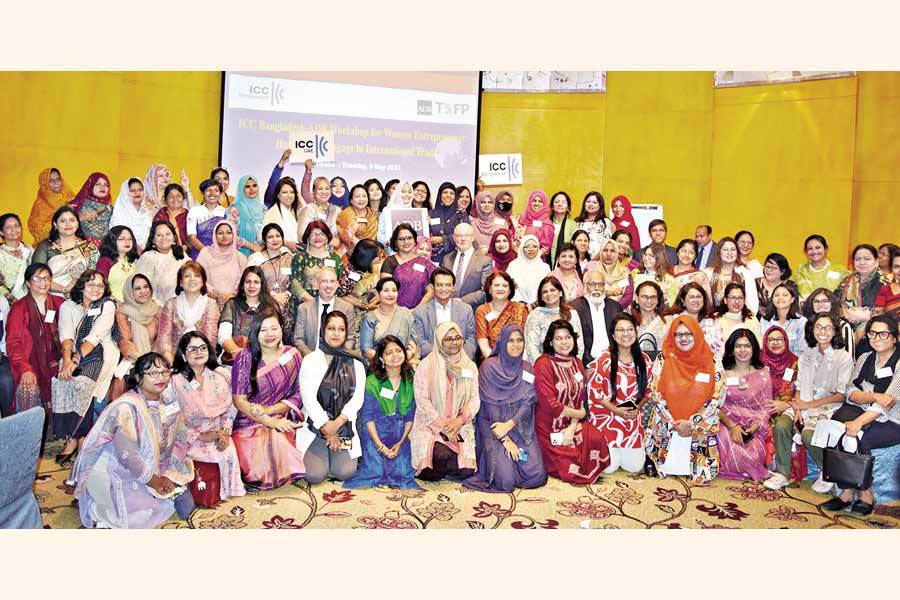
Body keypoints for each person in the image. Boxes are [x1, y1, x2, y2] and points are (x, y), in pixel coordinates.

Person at [72, 352, 194, 528]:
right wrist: (155, 481)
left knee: (186, 507)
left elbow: (181, 438)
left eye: (165, 372)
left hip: (157, 467)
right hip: (114, 470)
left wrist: (168, 472)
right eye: (152, 373)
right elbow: (127, 457)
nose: (160, 378)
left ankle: (158, 491)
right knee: (139, 518)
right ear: (138, 377)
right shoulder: (126, 408)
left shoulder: (169, 401)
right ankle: (95, 509)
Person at [818, 316, 900, 516]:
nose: (877, 338)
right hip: (863, 408)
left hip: (893, 419)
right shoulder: (864, 358)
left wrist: (858, 422)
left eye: (883, 334)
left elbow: (890, 402)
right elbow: (850, 390)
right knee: (837, 426)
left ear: (894, 338)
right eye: (872, 333)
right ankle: (846, 492)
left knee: (859, 436)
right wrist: (873, 396)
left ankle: (865, 493)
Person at [764, 315, 851, 492]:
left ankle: (826, 470)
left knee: (808, 436)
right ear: (812, 330)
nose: (823, 331)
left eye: (828, 327)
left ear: (835, 331)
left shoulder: (844, 357)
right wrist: (796, 407)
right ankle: (783, 473)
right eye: (819, 327)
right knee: (781, 426)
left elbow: (841, 395)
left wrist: (808, 406)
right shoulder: (806, 356)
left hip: (828, 407)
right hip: (803, 404)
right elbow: (799, 386)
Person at [463, 324, 548, 492]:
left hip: (519, 428)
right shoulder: (489, 367)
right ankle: (508, 465)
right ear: (502, 343)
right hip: (493, 428)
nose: (516, 345)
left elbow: (527, 403)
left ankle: (514, 464)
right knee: (505, 481)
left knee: (537, 476)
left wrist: (510, 426)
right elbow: (490, 408)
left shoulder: (527, 368)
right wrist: (505, 439)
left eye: (519, 340)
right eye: (511, 341)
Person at [645, 316, 726, 484]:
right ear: (672, 336)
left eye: (689, 333)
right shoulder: (663, 359)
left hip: (699, 428)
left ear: (697, 334)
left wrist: (692, 423)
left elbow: (717, 398)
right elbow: (656, 395)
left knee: (702, 471)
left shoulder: (713, 360)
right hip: (669, 426)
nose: (684, 338)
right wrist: (675, 423)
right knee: (666, 466)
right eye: (679, 334)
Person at [231, 309, 305, 489]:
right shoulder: (244, 357)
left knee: (278, 445)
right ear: (255, 333)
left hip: (280, 416)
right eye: (263, 330)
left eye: (274, 328)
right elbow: (239, 401)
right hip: (248, 419)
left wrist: (271, 412)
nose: (269, 334)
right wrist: (267, 420)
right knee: (257, 463)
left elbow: (299, 393)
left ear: (282, 329)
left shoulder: (293, 354)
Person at [54, 270, 120, 466]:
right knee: (63, 379)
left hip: (103, 352)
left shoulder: (106, 305)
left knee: (85, 385)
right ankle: (72, 438)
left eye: (100, 285)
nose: (96, 289)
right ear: (81, 286)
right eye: (91, 284)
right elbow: (65, 333)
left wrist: (74, 361)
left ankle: (82, 439)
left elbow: (96, 335)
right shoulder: (68, 305)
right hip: (72, 352)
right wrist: (67, 360)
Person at [171, 332, 245, 503]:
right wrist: (200, 436)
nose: (199, 352)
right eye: (192, 349)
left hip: (218, 432)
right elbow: (170, 417)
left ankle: (224, 490)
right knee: (207, 461)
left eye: (203, 347)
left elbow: (232, 406)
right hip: (186, 436)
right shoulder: (175, 381)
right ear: (183, 355)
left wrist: (225, 432)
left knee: (225, 454)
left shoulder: (219, 376)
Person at [294, 310, 365, 483]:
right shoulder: (310, 360)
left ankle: (334, 452)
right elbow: (308, 399)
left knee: (345, 472)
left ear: (346, 333)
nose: (336, 333)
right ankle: (324, 448)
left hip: (342, 424)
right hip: (316, 425)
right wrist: (327, 427)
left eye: (341, 329)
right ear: (323, 331)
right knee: (314, 475)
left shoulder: (355, 363)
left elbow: (357, 400)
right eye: (331, 328)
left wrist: (337, 424)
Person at [534, 319, 609, 483]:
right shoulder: (543, 364)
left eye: (567, 337)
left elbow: (580, 397)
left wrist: (573, 426)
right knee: (569, 462)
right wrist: (580, 413)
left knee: (596, 439)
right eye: (558, 338)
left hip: (572, 424)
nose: (564, 342)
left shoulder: (577, 362)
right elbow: (550, 404)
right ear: (551, 342)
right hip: (550, 428)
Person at [343, 335, 419, 490]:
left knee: (404, 473)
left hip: (399, 433)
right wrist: (380, 446)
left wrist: (401, 442)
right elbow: (367, 418)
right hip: (375, 433)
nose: (395, 355)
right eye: (389, 353)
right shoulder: (372, 381)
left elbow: (410, 416)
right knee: (375, 472)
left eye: (398, 350)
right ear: (382, 358)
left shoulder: (411, 378)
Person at [410, 322, 480, 481]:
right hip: (431, 425)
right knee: (441, 456)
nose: (454, 343)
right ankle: (433, 466)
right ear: (439, 340)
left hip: (459, 425)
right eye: (448, 339)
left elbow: (475, 399)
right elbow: (422, 401)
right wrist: (444, 427)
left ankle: (442, 467)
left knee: (467, 470)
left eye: (457, 338)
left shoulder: (469, 366)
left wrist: (459, 421)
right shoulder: (426, 365)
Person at [587, 313, 653, 473]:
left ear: (636, 333)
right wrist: (616, 410)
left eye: (630, 329)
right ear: (613, 335)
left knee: (635, 466)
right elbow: (595, 393)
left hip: (631, 419)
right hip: (607, 417)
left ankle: (624, 447)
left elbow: (649, 391)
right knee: (609, 467)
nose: (626, 334)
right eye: (620, 330)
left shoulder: (644, 360)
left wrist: (637, 408)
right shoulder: (604, 359)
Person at [5, 263, 64, 422]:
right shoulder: (18, 309)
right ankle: (28, 431)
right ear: (28, 283)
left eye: (46, 278)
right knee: (28, 388)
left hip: (58, 361)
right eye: (37, 278)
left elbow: (71, 335)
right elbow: (13, 344)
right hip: (29, 363)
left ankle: (64, 430)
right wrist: (25, 369)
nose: (43, 282)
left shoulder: (60, 303)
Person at [716, 329, 773, 482]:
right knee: (723, 438)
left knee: (752, 453)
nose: (742, 350)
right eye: (738, 346)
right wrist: (732, 426)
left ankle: (743, 467)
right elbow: (715, 403)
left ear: (753, 348)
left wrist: (755, 427)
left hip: (752, 426)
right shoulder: (722, 373)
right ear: (731, 350)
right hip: (726, 422)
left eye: (747, 346)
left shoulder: (762, 375)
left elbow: (766, 407)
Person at [156, 262, 219, 365]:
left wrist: (199, 360)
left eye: (197, 276)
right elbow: (164, 338)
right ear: (180, 282)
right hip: (175, 358)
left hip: (203, 358)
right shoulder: (170, 304)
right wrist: (172, 362)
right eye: (187, 276)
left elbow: (210, 338)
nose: (192, 279)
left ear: (203, 282)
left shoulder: (211, 305)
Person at [32, 206, 99, 298]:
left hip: (83, 298)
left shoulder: (89, 247)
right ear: (55, 224)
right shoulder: (45, 247)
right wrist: (65, 289)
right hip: (51, 299)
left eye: (72, 220)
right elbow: (36, 278)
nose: (68, 224)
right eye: (63, 221)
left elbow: (95, 277)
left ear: (77, 223)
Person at [113, 274, 161, 399]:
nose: (143, 291)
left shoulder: (157, 310)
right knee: (120, 381)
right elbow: (125, 341)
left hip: (157, 358)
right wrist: (144, 360)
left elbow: (162, 337)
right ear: (130, 292)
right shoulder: (122, 312)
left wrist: (154, 359)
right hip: (133, 359)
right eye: (137, 289)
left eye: (146, 287)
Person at [412, 267, 477, 359]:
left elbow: (471, 339)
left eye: (448, 285)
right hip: (432, 361)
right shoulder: (420, 312)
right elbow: (420, 341)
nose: (443, 289)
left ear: (453, 287)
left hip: (461, 361)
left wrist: (460, 358)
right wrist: (440, 358)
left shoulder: (466, 310)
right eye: (439, 285)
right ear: (432, 287)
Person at [219, 267, 276, 363]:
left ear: (262, 285)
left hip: (263, 361)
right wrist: (240, 356)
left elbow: (276, 336)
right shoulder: (232, 304)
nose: (251, 286)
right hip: (234, 360)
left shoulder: (269, 307)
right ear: (242, 284)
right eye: (248, 282)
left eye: (256, 282)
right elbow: (223, 336)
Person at [524, 276, 584, 365]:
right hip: (543, 367)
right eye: (545, 292)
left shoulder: (572, 314)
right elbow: (531, 349)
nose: (549, 294)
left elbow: (579, 345)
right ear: (541, 297)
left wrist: (574, 366)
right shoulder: (535, 315)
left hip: (570, 366)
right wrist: (546, 368)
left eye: (552, 290)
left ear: (560, 292)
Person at [336, 239, 384, 352]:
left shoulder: (370, 269)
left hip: (369, 313)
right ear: (368, 257)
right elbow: (341, 295)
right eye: (377, 255)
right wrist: (364, 306)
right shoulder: (351, 273)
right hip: (353, 316)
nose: (380, 258)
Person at [292, 267, 352, 355]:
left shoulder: (347, 308)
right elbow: (298, 340)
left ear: (337, 284)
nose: (329, 285)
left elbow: (350, 339)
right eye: (324, 281)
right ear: (317, 284)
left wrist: (337, 356)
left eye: (332, 281)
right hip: (311, 357)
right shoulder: (304, 309)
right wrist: (312, 358)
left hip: (337, 359)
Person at [569, 269, 622, 367]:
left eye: (600, 284)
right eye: (592, 284)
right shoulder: (574, 308)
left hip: (613, 362)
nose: (596, 288)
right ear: (584, 286)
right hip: (586, 363)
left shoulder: (615, 307)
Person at [247, 223, 294, 332]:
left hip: (287, 304)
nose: (275, 239)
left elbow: (295, 280)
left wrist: (287, 294)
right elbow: (251, 284)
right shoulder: (256, 259)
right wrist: (272, 296)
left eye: (278, 236)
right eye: (270, 237)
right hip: (264, 304)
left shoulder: (289, 257)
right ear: (264, 240)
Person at [838, 244, 888, 344]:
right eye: (858, 259)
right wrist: (845, 313)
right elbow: (835, 302)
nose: (862, 262)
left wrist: (868, 316)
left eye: (867, 259)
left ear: (876, 261)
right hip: (846, 333)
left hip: (874, 336)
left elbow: (887, 311)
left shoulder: (885, 283)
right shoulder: (847, 280)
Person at [360, 276, 418, 362]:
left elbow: (412, 343)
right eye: (386, 290)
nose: (390, 294)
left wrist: (401, 360)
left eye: (394, 290)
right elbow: (366, 350)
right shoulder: (370, 318)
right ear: (378, 293)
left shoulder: (405, 314)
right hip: (379, 366)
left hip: (404, 364)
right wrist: (389, 361)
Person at [474, 270, 529, 359]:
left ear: (510, 290)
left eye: (505, 286)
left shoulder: (520, 309)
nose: (500, 288)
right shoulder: (482, 311)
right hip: (491, 360)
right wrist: (497, 364)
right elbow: (483, 345)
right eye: (496, 285)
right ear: (490, 289)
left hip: (517, 359)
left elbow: (525, 341)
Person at [668, 281, 727, 361]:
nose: (696, 300)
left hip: (709, 367)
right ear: (683, 301)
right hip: (681, 368)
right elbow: (669, 348)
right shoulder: (674, 320)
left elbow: (721, 349)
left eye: (699, 297)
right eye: (691, 297)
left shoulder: (712, 321)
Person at [440, 222, 493, 310]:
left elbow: (485, 290)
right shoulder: (447, 258)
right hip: (447, 307)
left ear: (473, 237)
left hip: (471, 310)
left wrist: (462, 301)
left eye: (467, 235)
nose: (463, 239)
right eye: (459, 235)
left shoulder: (484, 261)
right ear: (454, 238)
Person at [196, 220, 247, 308]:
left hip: (233, 303)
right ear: (214, 236)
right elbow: (197, 276)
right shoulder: (205, 253)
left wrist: (230, 295)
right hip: (207, 301)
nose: (225, 236)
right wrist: (212, 292)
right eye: (220, 233)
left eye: (228, 233)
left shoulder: (240, 257)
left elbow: (245, 282)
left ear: (234, 235)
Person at [290, 220, 344, 304]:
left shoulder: (335, 258)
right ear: (307, 237)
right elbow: (295, 284)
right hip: (306, 305)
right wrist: (313, 302)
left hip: (331, 305)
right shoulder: (300, 258)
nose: (318, 237)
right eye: (313, 234)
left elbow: (340, 282)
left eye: (322, 234)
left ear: (327, 237)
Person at [134, 221, 189, 304]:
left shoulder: (180, 254)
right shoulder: (148, 257)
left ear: (174, 237)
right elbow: (142, 288)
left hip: (184, 303)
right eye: (159, 235)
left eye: (168, 234)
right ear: (153, 239)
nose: (164, 238)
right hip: (157, 307)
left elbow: (194, 272)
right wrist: (160, 308)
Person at [388, 224, 436, 309]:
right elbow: (386, 288)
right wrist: (400, 312)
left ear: (414, 241)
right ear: (396, 242)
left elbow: (431, 289)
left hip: (421, 311)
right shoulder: (390, 262)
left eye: (409, 238)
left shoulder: (429, 266)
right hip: (394, 311)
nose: (406, 242)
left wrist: (416, 310)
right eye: (401, 239)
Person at [794, 234, 850, 301]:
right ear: (806, 252)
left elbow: (848, 295)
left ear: (825, 249)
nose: (814, 251)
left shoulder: (840, 270)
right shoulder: (800, 271)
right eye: (810, 249)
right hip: (806, 310)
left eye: (818, 248)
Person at [704, 236, 754, 309]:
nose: (729, 253)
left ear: (737, 253)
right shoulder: (708, 273)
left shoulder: (745, 274)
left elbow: (752, 303)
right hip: (713, 317)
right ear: (719, 253)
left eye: (733, 249)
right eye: (725, 249)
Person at [27, 167, 74, 243]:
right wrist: (62, 214)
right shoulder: (40, 205)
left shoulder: (68, 196)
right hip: (50, 245)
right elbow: (37, 231)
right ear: (44, 184)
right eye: (51, 181)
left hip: (71, 241)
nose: (56, 183)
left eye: (58, 179)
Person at [760, 282, 809, 355]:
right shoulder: (765, 320)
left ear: (792, 299)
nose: (780, 298)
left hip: (793, 363)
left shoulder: (801, 322)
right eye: (776, 295)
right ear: (772, 299)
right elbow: (763, 347)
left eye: (785, 295)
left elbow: (801, 351)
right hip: (769, 362)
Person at [186, 179, 229, 260]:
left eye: (216, 190)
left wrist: (217, 255)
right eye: (208, 190)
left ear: (220, 193)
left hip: (220, 255)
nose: (212, 193)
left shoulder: (224, 212)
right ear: (203, 193)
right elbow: (192, 238)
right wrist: (208, 254)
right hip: (199, 255)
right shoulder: (194, 211)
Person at [67, 172, 113, 246]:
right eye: (97, 184)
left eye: (105, 185)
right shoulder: (78, 204)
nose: (102, 187)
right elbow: (64, 225)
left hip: (104, 247)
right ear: (90, 186)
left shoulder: (110, 208)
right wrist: (81, 217)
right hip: (80, 246)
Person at [428, 182, 469, 264]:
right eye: (445, 192)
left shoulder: (461, 215)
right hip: (433, 259)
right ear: (440, 195)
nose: (448, 195)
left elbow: (465, 236)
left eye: (452, 193)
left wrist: (443, 239)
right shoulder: (430, 214)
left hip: (454, 259)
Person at [630, 280, 672, 361]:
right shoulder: (627, 320)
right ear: (636, 298)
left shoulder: (668, 321)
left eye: (653, 297)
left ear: (658, 299)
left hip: (659, 366)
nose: (649, 301)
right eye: (644, 297)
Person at [109, 178, 156, 249]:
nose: (137, 193)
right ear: (126, 194)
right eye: (132, 191)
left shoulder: (148, 213)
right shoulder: (119, 214)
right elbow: (117, 239)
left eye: (140, 190)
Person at [586, 238, 633, 308]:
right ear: (600, 252)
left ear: (617, 253)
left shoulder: (624, 272)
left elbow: (628, 296)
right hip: (594, 309)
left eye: (612, 251)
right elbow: (588, 291)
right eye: (605, 250)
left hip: (618, 311)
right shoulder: (592, 267)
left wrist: (614, 309)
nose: (608, 254)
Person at [96, 226, 139, 302]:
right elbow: (100, 287)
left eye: (130, 239)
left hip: (131, 302)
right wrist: (117, 303)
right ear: (112, 241)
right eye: (122, 239)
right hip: (111, 303)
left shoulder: (132, 261)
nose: (127, 242)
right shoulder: (105, 262)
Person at [296, 172, 340, 246]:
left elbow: (342, 236)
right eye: (320, 189)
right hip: (313, 253)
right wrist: (330, 241)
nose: (324, 192)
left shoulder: (337, 210)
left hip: (335, 254)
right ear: (313, 192)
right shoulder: (309, 209)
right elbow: (301, 237)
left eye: (327, 188)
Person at [507, 234, 550, 308]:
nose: (531, 249)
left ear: (538, 249)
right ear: (521, 248)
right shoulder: (513, 266)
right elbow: (509, 287)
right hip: (517, 307)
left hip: (540, 306)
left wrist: (535, 304)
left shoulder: (545, 267)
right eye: (526, 246)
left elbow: (548, 288)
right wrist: (521, 304)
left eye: (534, 246)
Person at [227, 175, 265, 256]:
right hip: (241, 256)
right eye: (247, 186)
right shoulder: (235, 209)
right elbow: (230, 236)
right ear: (242, 189)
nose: (252, 189)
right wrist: (252, 246)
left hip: (262, 255)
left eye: (254, 186)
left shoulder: (263, 209)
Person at [335, 184, 378, 256]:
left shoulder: (372, 214)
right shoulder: (346, 214)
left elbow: (373, 238)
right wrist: (363, 248)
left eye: (364, 196)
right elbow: (347, 237)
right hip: (349, 253)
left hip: (370, 251)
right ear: (351, 200)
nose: (361, 199)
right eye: (357, 196)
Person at [631, 242, 679, 307]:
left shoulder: (668, 279)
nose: (646, 258)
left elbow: (673, 307)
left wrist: (664, 297)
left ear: (659, 258)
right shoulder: (635, 274)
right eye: (645, 255)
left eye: (651, 256)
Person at [0, 213, 34, 302]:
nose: (14, 229)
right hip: (5, 301)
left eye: (16, 225)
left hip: (30, 298)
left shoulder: (29, 250)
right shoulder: (1, 254)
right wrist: (11, 300)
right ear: (1, 232)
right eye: (8, 227)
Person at [262, 177, 302, 253]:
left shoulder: (294, 210)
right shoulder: (273, 212)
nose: (289, 195)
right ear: (278, 195)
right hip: (279, 255)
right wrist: (286, 243)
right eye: (284, 192)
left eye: (292, 192)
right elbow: (264, 236)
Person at [574, 191, 615, 259]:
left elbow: (606, 245)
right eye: (588, 201)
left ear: (600, 205)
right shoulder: (577, 222)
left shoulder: (605, 222)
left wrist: (593, 261)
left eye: (594, 202)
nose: (591, 204)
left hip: (599, 262)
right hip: (578, 261)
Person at [517, 190, 554, 258]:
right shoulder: (523, 219)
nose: (536, 203)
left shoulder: (547, 224)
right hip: (520, 258)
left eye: (540, 201)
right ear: (530, 202)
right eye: (534, 200)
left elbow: (545, 248)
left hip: (538, 260)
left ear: (544, 204)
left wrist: (532, 257)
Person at [152, 183, 190, 250]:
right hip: (164, 252)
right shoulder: (161, 214)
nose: (175, 199)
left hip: (188, 253)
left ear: (183, 198)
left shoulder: (188, 215)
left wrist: (186, 247)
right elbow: (155, 237)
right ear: (165, 199)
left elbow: (195, 237)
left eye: (178, 196)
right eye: (171, 197)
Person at [547, 191, 579, 268]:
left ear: (568, 207)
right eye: (557, 202)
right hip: (545, 262)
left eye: (563, 202)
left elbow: (575, 246)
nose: (560, 204)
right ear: (552, 206)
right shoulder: (546, 223)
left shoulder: (573, 225)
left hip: (565, 264)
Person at [874, 246, 900, 324]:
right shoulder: (885, 290)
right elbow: (877, 317)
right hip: (890, 333)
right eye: (896, 267)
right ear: (891, 269)